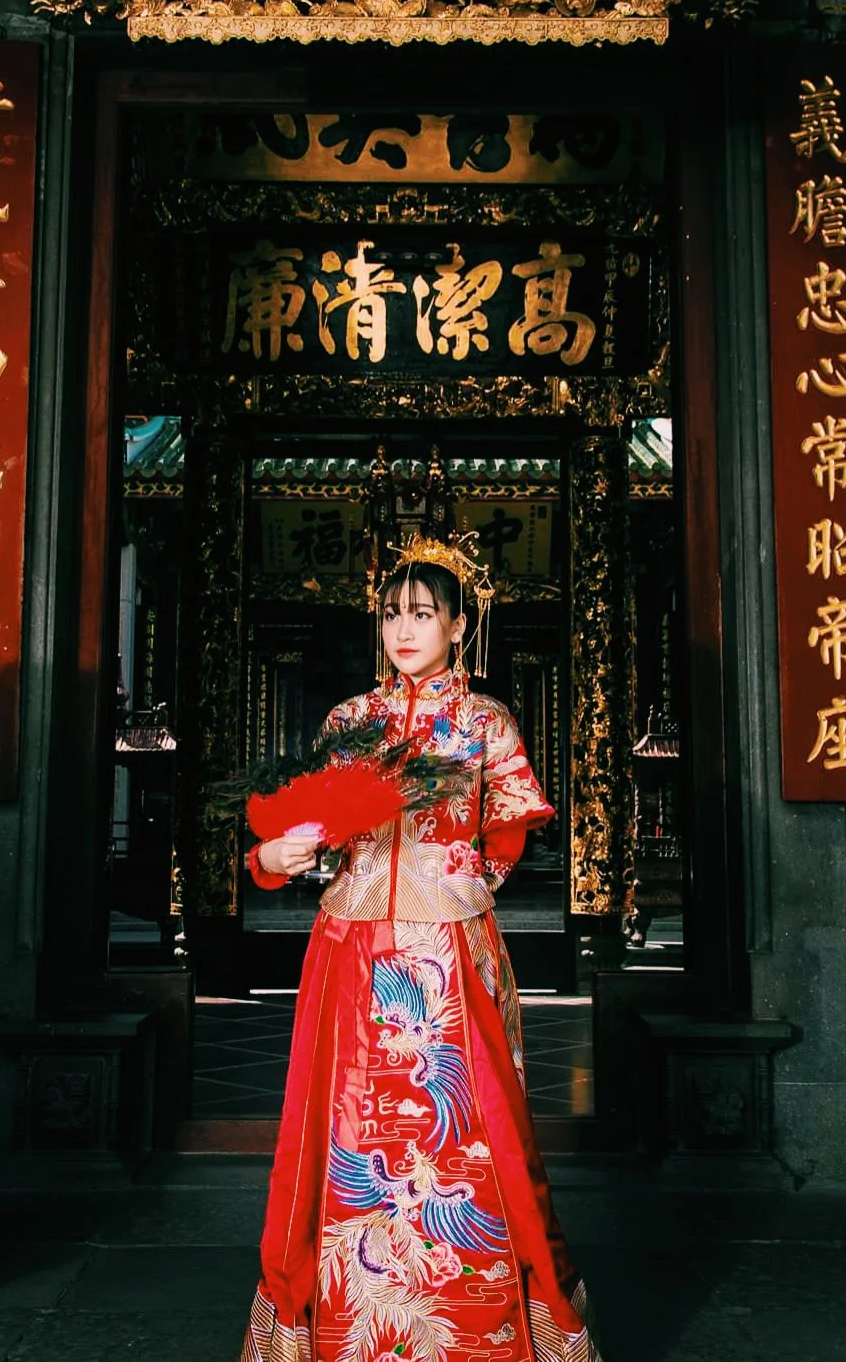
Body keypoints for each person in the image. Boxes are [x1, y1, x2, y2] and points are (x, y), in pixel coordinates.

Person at [240, 533, 602, 1362]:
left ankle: (488, 1326)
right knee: (342, 1126)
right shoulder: (349, 722)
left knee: (476, 1135)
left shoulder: (484, 723)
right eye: (393, 614)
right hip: (352, 953)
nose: (404, 630)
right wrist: (281, 854)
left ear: (459, 625)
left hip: (447, 953)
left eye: (423, 613)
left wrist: (459, 875)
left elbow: (506, 837)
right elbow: (297, 840)